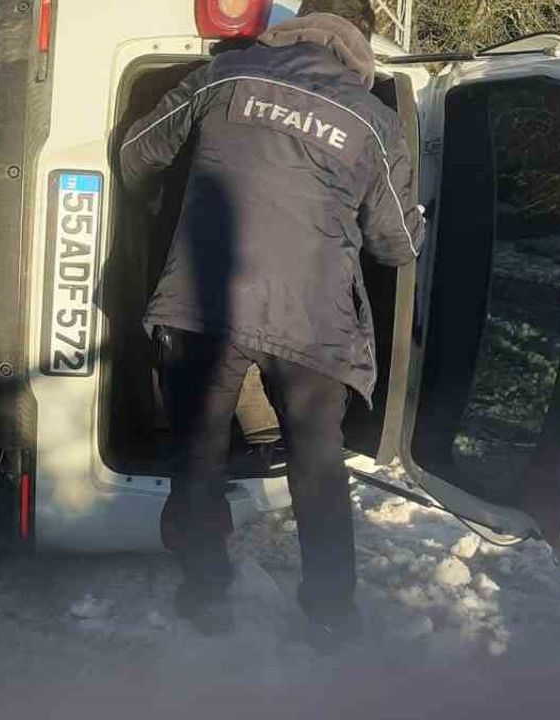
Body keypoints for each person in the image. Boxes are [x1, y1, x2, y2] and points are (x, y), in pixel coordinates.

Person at [118, 0, 425, 647]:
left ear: (297, 23)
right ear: (360, 40)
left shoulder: (225, 76)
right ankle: (331, 613)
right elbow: (396, 245)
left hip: (203, 302)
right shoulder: (373, 122)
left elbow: (137, 154)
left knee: (198, 449)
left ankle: (205, 596)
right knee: (317, 463)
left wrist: (172, 202)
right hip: (311, 320)